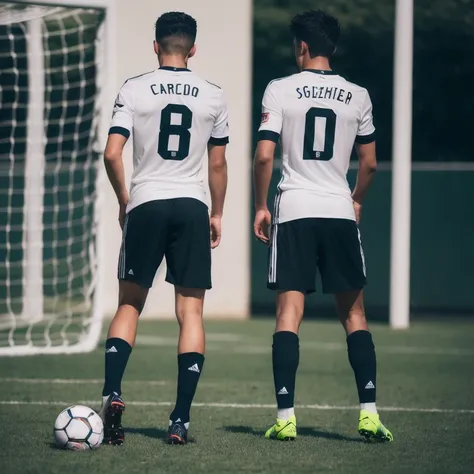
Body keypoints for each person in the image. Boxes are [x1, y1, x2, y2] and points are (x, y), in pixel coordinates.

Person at [253, 10, 393, 443]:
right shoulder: (359, 95)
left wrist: (261, 206)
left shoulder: (279, 89)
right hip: (337, 211)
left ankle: (286, 416)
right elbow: (369, 163)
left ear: (303, 47)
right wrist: (355, 200)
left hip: (294, 209)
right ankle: (369, 413)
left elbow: (263, 156)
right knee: (355, 315)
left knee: (288, 315)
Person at [99, 11, 229, 446]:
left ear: (155, 46)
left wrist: (124, 199)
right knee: (190, 313)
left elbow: (112, 153)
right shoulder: (213, 95)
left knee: (130, 305)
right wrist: (217, 212)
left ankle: (113, 393)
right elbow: (217, 162)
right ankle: (179, 420)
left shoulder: (134, 88)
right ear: (193, 49)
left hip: (148, 202)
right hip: (193, 205)